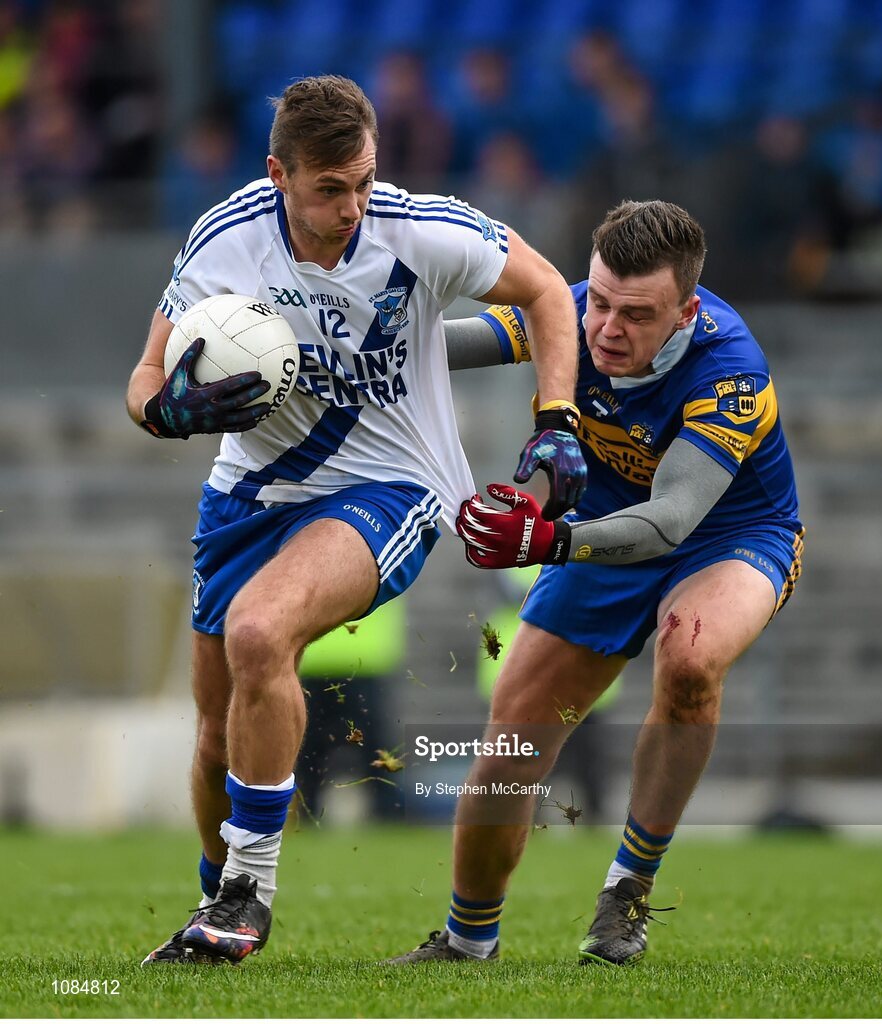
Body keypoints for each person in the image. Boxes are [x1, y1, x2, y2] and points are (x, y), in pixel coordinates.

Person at [126, 74, 586, 966]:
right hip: (250, 494)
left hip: (390, 483)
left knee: (262, 634)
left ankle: (249, 897)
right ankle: (217, 903)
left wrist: (556, 421)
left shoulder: (423, 232)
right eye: (329, 189)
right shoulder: (225, 240)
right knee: (217, 730)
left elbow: (548, 293)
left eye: (364, 181)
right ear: (277, 176)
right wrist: (165, 412)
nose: (353, 206)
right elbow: (146, 378)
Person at [388, 199, 804, 966]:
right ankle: (467, 939)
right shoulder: (573, 312)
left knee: (689, 659)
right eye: (600, 301)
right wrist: (344, 338)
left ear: (685, 311)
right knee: (512, 742)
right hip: (606, 524)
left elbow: (673, 519)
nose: (606, 328)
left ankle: (627, 893)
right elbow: (441, 348)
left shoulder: (732, 373)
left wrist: (547, 539)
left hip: (728, 537)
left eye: (635, 315)